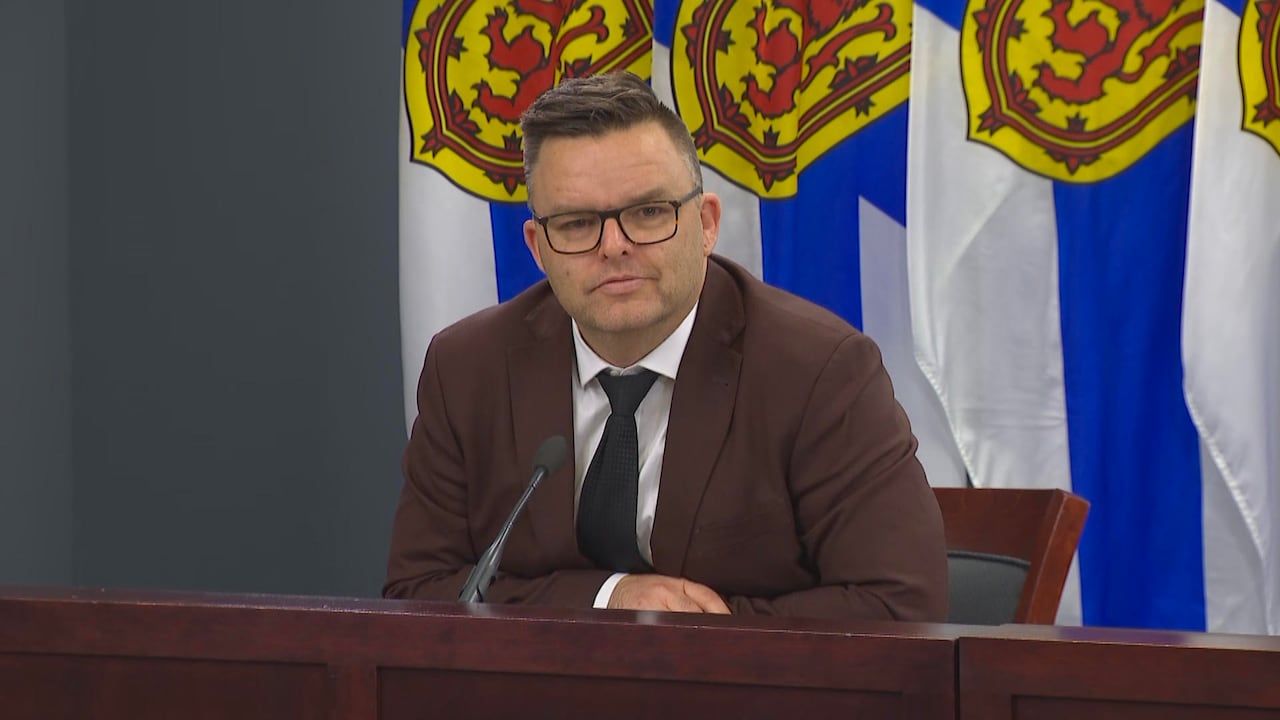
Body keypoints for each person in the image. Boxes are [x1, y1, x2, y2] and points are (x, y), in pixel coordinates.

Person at [384, 72, 948, 621]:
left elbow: (899, 607)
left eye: (648, 213)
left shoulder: (818, 372)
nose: (614, 246)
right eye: (578, 224)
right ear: (538, 246)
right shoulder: (468, 370)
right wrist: (610, 600)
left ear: (705, 223)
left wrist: (689, 634)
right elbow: (418, 592)